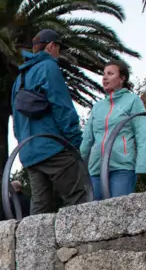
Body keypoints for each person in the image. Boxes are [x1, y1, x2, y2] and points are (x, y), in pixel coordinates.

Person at [12, 29, 91, 214]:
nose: (59, 54)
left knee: (40, 211)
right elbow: (62, 108)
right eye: (59, 49)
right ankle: (83, 243)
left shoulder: (19, 79)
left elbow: (16, 121)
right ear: (51, 46)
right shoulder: (48, 67)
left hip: (29, 151)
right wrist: (74, 143)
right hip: (53, 148)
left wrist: (24, 145)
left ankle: (34, 244)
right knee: (79, 199)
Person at [81, 60, 146, 200]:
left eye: (110, 74)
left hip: (122, 168)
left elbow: (142, 134)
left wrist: (141, 165)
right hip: (96, 169)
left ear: (122, 78)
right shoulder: (97, 107)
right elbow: (87, 139)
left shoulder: (133, 101)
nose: (105, 78)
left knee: (119, 214)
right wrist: (78, 165)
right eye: (104, 74)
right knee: (94, 216)